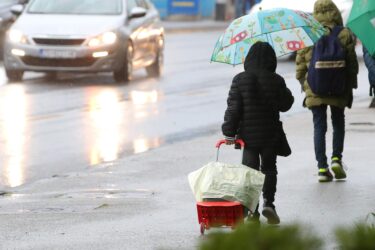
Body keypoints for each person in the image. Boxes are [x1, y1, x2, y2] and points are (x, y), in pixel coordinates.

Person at [222, 42, 294, 225]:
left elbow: (234, 108)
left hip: (247, 137)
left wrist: (229, 132)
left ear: (249, 59)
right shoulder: (276, 79)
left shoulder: (240, 79)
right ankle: (269, 203)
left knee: (250, 172)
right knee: (269, 169)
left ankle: (252, 210)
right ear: (271, 60)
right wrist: (284, 91)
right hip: (270, 134)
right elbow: (285, 104)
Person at [295, 0, 358, 182]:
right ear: (335, 13)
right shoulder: (344, 33)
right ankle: (336, 158)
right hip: (339, 87)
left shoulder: (308, 34)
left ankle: (322, 168)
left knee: (319, 126)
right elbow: (352, 65)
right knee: (338, 123)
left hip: (315, 88)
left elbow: (300, 67)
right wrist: (350, 86)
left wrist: (306, 85)